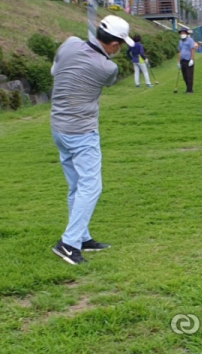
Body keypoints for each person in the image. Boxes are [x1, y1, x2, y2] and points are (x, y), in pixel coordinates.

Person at [50, 15, 135, 265]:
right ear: (115, 43)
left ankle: (82, 237)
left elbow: (55, 70)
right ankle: (68, 243)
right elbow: (106, 79)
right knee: (91, 186)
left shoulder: (69, 43)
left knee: (76, 185)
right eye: (120, 44)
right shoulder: (108, 67)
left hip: (58, 128)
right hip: (81, 132)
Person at [177, 28, 195, 93]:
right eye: (181, 33)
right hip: (182, 61)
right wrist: (178, 62)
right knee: (184, 76)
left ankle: (190, 90)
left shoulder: (190, 40)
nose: (182, 34)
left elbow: (192, 50)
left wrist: (191, 59)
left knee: (189, 75)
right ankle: (187, 88)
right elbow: (179, 51)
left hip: (188, 60)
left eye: (183, 33)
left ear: (186, 34)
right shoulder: (180, 42)